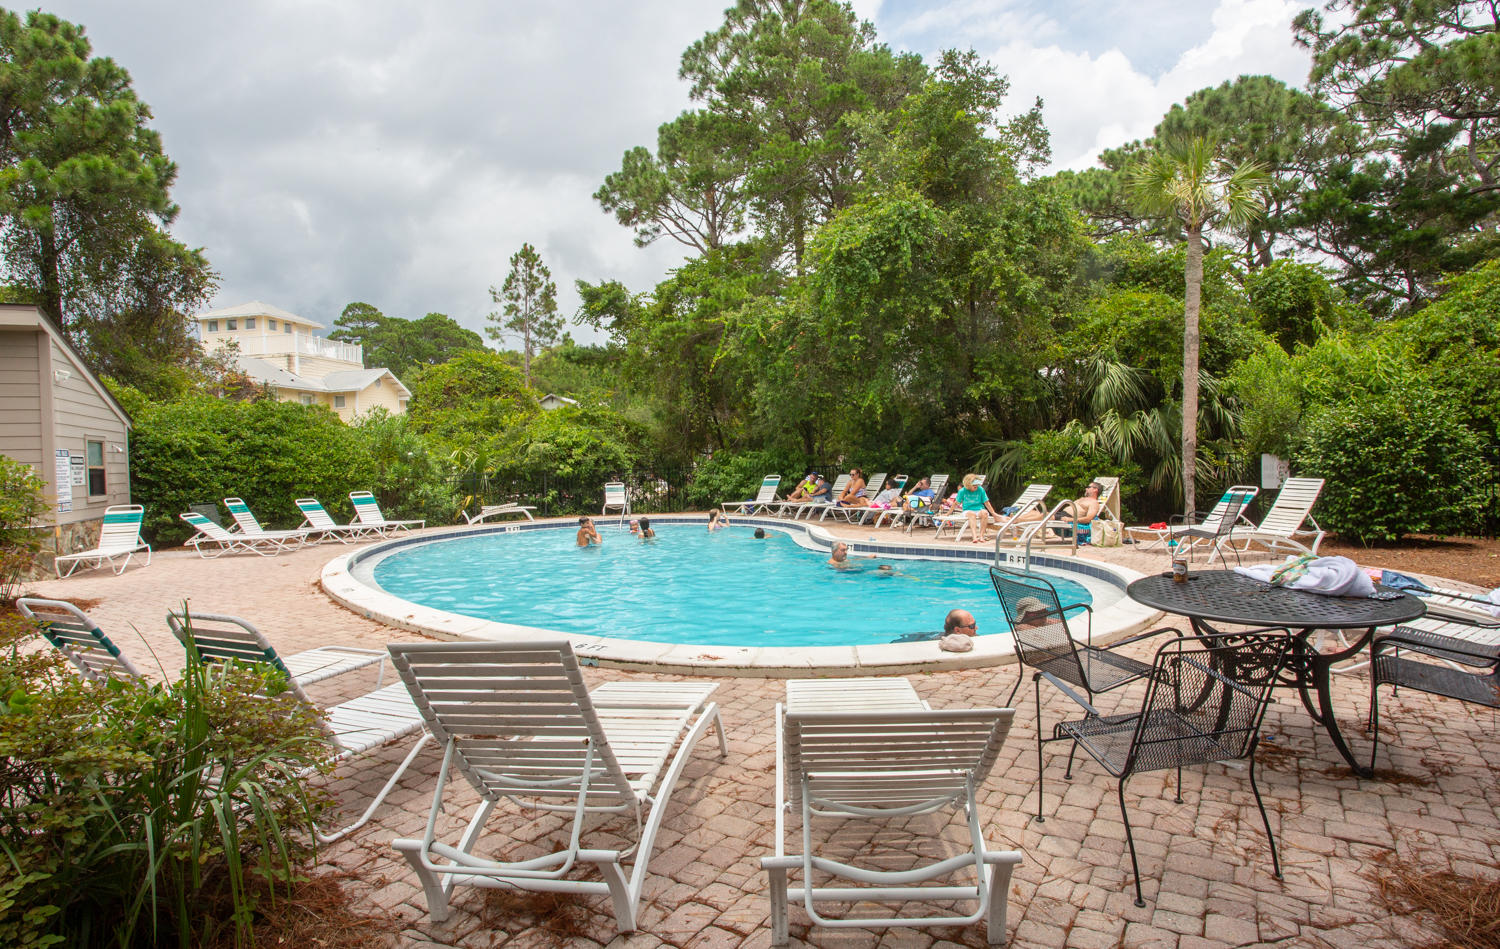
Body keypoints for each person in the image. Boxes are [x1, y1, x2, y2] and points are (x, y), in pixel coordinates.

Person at [954, 473, 999, 544]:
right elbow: (956, 503)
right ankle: (974, 537)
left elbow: (986, 502)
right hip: (967, 510)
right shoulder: (962, 491)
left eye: (977, 485)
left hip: (979, 509)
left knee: (985, 513)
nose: (976, 487)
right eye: (974, 485)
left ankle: (981, 536)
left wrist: (993, 513)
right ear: (968, 485)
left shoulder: (980, 489)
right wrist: (948, 513)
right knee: (972, 514)